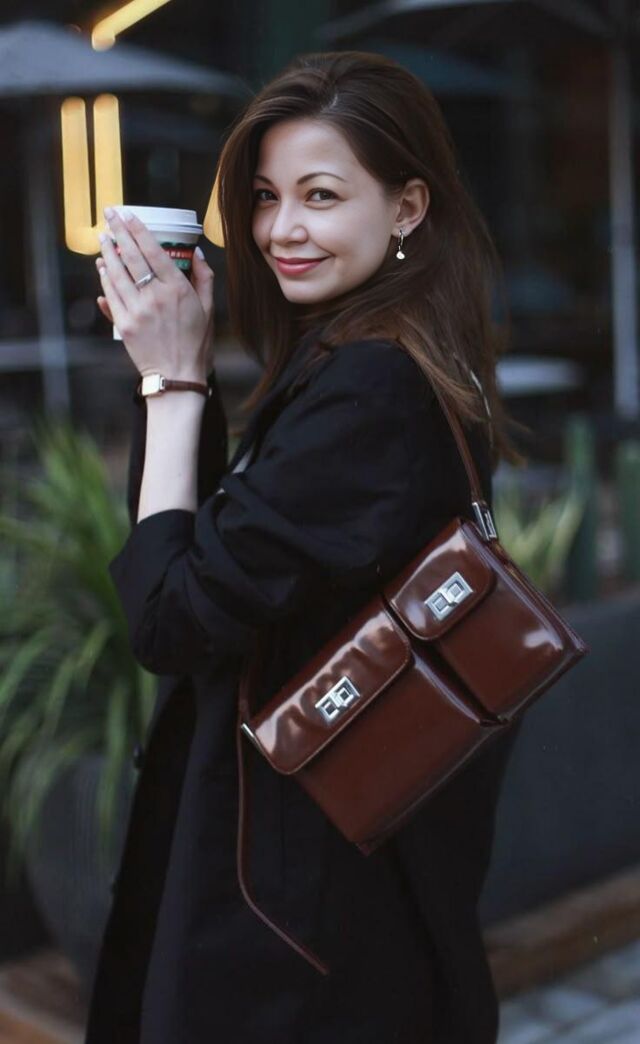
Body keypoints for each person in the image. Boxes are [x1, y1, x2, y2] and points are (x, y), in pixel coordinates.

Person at [85, 50, 523, 1044]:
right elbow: (215, 558)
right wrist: (181, 371)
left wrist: (173, 384)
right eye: (265, 196)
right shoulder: (389, 355)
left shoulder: (372, 389)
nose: (282, 228)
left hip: (292, 915)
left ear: (407, 207)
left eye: (321, 196)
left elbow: (170, 620)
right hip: (332, 867)